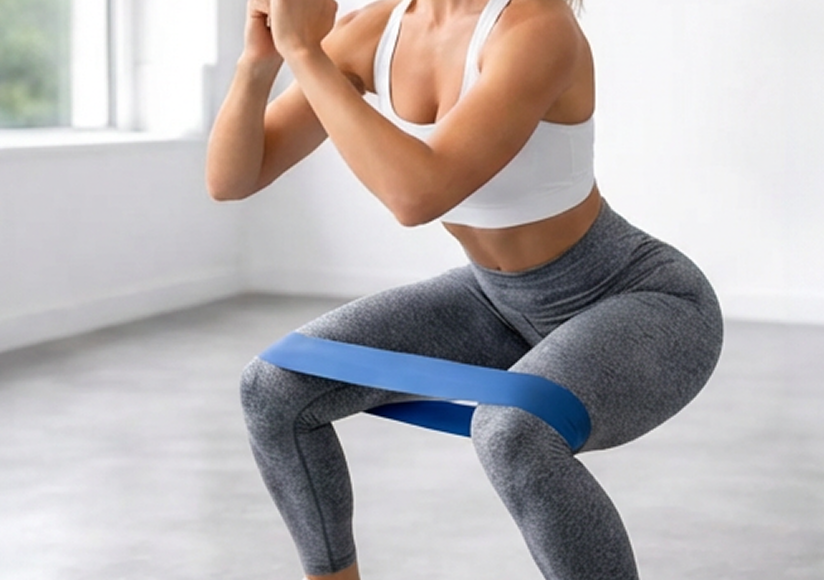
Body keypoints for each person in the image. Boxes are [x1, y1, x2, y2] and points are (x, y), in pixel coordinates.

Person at [205, 0, 723, 578]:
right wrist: (260, 62)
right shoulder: (372, 32)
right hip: (496, 301)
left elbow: (418, 196)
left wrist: (305, 53)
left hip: (636, 298)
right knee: (274, 388)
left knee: (512, 431)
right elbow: (232, 178)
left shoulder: (536, 28)